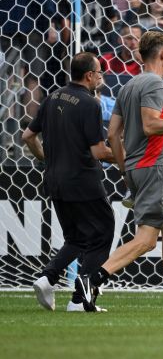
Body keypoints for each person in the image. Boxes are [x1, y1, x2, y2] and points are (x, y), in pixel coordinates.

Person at [77, 31, 163, 312]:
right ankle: (93, 278)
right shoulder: (156, 84)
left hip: (138, 168)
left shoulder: (129, 85)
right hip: (153, 168)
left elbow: (113, 133)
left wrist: (126, 168)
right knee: (147, 240)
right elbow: (150, 126)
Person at [23, 52, 115, 312]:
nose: (101, 77)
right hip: (83, 181)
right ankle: (80, 300)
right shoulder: (90, 104)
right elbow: (98, 152)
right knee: (101, 235)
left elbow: (28, 135)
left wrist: (45, 158)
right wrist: (124, 158)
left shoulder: (52, 97)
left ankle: (47, 277)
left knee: (76, 238)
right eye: (99, 72)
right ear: (89, 75)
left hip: (54, 181)